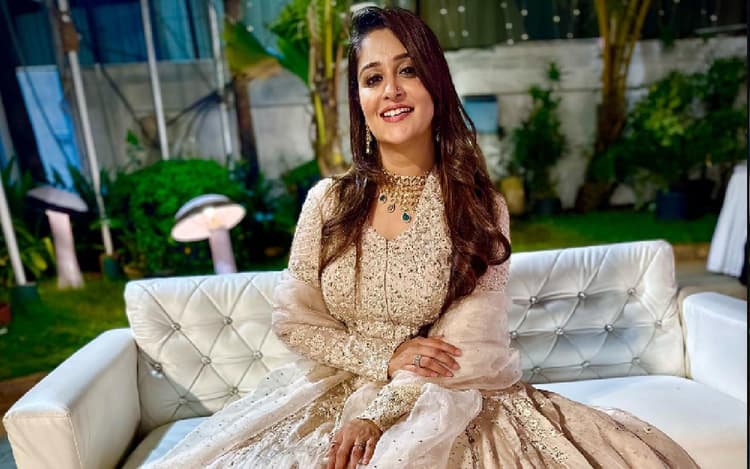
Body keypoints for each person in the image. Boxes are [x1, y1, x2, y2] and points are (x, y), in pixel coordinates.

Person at [147, 7, 698, 468]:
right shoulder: (328, 203)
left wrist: (379, 413)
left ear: (435, 83)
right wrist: (383, 356)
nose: (391, 90)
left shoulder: (478, 207)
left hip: (444, 398)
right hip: (331, 389)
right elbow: (294, 319)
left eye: (407, 71)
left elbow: (465, 348)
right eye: (373, 78)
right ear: (360, 102)